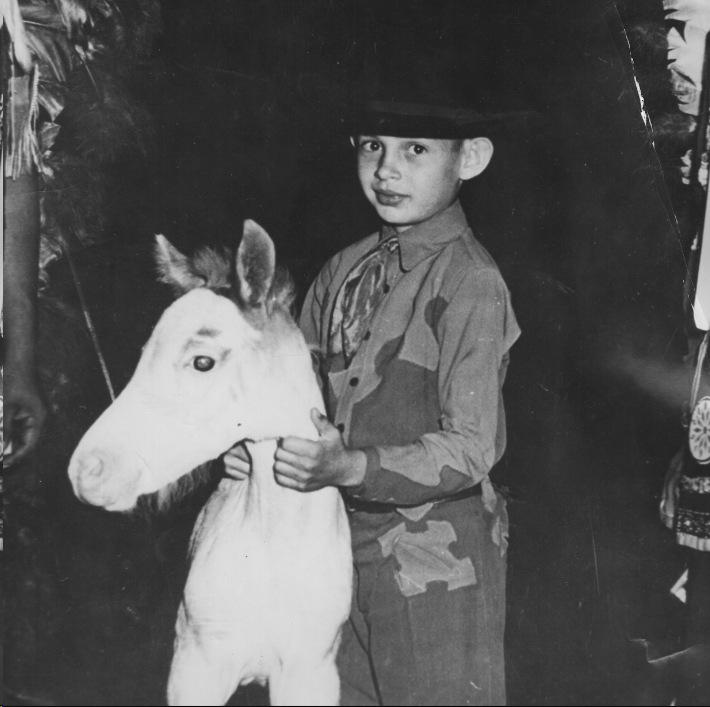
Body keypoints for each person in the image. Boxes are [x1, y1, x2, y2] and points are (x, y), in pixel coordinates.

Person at [226, 69, 520, 704]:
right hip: (333, 546)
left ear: (470, 157)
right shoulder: (344, 268)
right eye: (371, 146)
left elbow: (472, 447)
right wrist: (254, 446)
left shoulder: (472, 283)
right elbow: (291, 393)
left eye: (416, 150)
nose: (387, 170)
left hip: (436, 558)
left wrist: (350, 465)